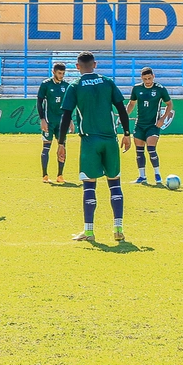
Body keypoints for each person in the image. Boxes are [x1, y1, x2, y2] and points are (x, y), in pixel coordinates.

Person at [56, 52, 132, 241]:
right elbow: (121, 108)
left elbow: (66, 115)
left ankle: (89, 231)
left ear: (77, 66)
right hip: (110, 139)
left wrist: (61, 142)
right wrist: (127, 134)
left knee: (89, 185)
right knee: (115, 183)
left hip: (90, 141)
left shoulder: (75, 85)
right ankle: (118, 229)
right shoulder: (107, 82)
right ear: (95, 65)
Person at [126, 67, 172, 185]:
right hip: (140, 124)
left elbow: (169, 104)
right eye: (145, 79)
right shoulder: (137, 88)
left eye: (149, 78)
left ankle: (157, 174)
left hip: (153, 125)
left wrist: (162, 118)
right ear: (142, 78)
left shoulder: (160, 89)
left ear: (153, 76)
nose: (147, 81)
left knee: (151, 148)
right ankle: (142, 176)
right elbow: (131, 104)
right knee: (139, 151)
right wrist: (124, 115)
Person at [37, 63, 70, 183]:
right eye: (59, 73)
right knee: (46, 148)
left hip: (62, 122)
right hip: (49, 121)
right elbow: (39, 102)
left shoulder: (66, 86)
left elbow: (68, 105)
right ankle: (45, 175)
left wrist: (70, 119)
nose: (61, 76)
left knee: (62, 147)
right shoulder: (46, 84)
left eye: (63, 73)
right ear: (54, 72)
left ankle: (60, 175)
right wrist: (42, 120)